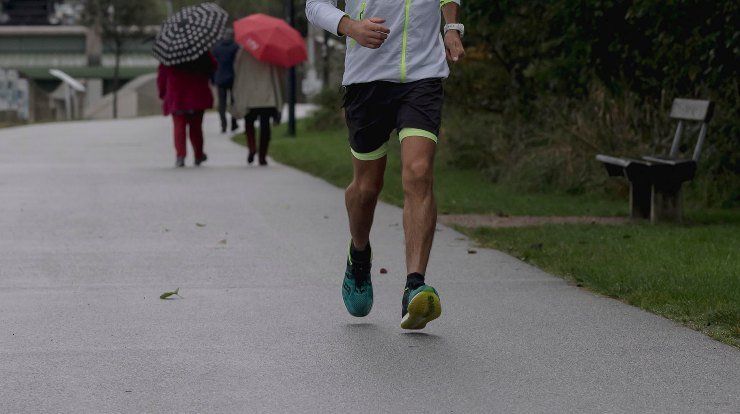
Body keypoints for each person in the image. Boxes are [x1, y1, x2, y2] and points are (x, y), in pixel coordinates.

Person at [306, 0, 465, 329]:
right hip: (368, 78)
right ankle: (359, 254)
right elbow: (314, 5)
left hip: (422, 73)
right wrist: (350, 27)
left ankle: (414, 285)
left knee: (419, 173)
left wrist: (450, 27)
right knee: (366, 188)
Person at [157, 52, 217, 167]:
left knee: (179, 127)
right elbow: (213, 66)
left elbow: (162, 75)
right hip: (197, 93)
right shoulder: (200, 50)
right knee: (196, 128)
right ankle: (198, 155)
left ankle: (180, 155)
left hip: (177, 94)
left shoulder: (169, 53)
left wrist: (162, 92)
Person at [231, 48, 284, 166]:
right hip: (266, 94)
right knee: (265, 126)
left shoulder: (243, 51)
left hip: (249, 93)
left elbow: (237, 69)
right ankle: (262, 156)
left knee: (249, 122)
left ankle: (252, 147)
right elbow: (278, 72)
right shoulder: (270, 52)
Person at [211, 30, 240, 133]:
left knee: (222, 104)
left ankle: (223, 124)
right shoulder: (236, 48)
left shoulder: (216, 49)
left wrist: (212, 79)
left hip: (220, 78)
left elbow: (212, 65)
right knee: (233, 102)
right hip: (233, 78)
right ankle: (233, 123)